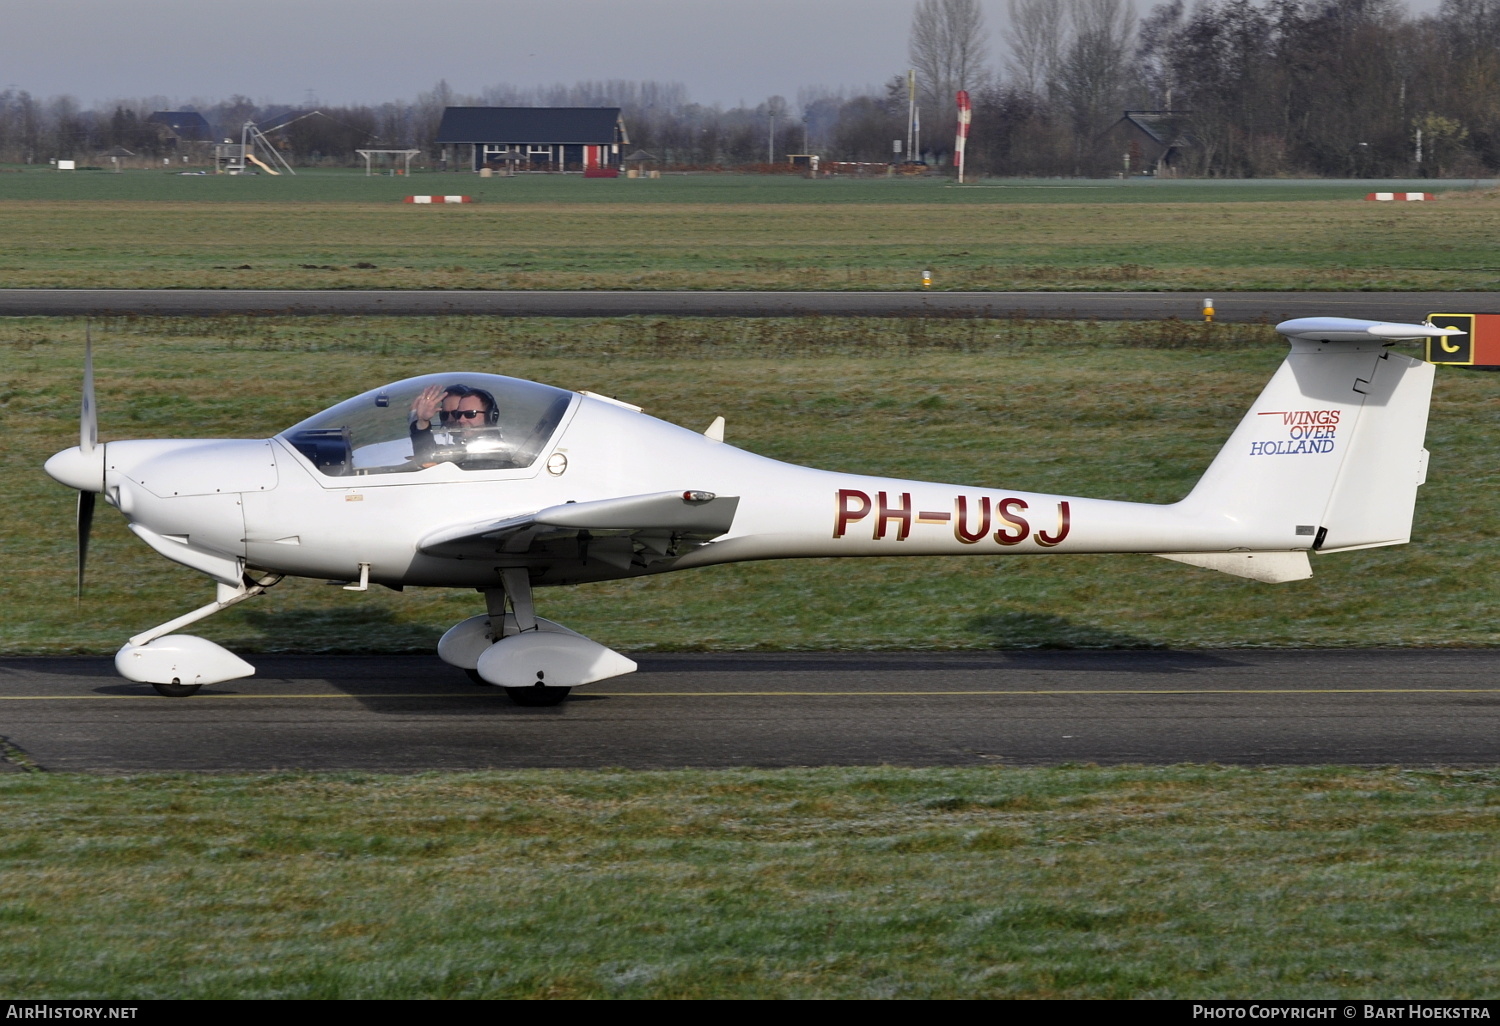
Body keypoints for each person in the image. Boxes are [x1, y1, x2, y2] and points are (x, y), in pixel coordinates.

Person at [409, 384, 498, 463]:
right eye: (444, 414)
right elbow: (427, 458)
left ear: (489, 416)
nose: (450, 419)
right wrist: (422, 420)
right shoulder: (458, 448)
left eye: (456, 413)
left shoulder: (493, 452)